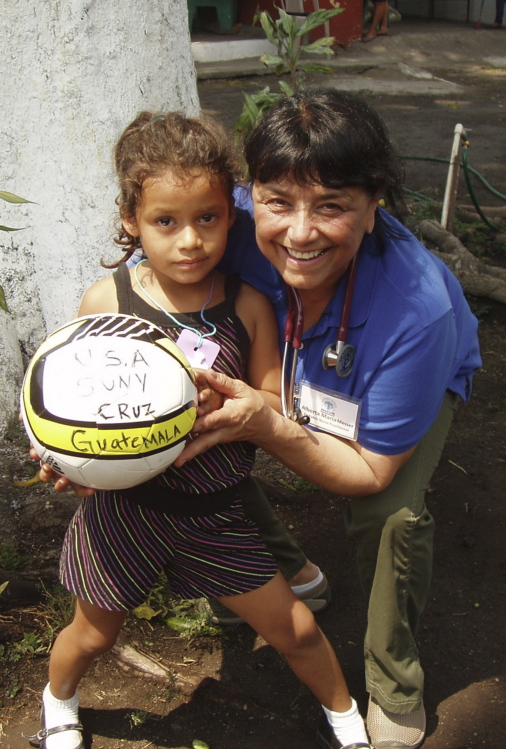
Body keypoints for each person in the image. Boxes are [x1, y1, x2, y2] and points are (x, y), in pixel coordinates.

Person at [29, 112, 372, 749]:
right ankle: (59, 701)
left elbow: (271, 399)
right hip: (123, 512)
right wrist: (60, 457)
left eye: (207, 218)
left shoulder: (245, 306)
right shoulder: (105, 301)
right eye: (166, 221)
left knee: (295, 629)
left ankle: (347, 720)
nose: (190, 240)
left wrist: (236, 407)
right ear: (131, 220)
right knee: (93, 635)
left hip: (215, 514)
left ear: (230, 215)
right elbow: (69, 400)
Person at [182, 89, 482, 749]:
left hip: (395, 374)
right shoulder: (218, 226)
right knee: (187, 424)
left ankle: (395, 681)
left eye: (332, 206)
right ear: (249, 193)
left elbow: (369, 472)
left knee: (392, 513)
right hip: (290, 364)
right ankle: (291, 571)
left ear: (374, 206)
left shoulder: (415, 310)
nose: (297, 232)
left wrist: (266, 422)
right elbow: (137, 295)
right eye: (277, 201)